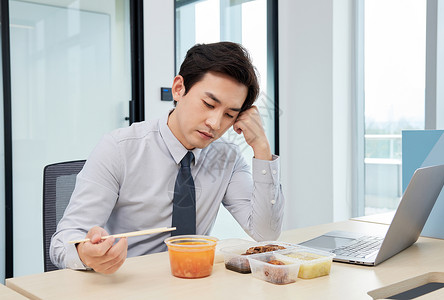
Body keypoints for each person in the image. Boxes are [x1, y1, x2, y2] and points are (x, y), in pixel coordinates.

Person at [50, 41, 285, 274]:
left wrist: (261, 148)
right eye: (208, 104)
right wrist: (85, 253)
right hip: (127, 284)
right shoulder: (119, 149)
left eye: (229, 115)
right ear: (178, 88)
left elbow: (265, 232)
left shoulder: (227, 158)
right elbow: (63, 242)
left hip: (194, 282)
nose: (214, 123)